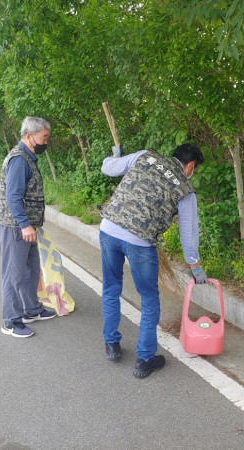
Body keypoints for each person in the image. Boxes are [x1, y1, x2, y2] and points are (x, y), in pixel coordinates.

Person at [99, 143, 207, 378]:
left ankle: (111, 345)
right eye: (195, 168)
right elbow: (188, 234)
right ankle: (145, 359)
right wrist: (195, 266)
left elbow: (108, 168)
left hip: (108, 229)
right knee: (149, 300)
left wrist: (114, 157)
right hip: (139, 242)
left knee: (111, 288)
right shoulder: (185, 190)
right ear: (190, 165)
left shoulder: (145, 156)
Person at [0, 116, 57, 338]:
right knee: (14, 274)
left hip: (27, 226)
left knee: (31, 268)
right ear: (29, 136)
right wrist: (24, 224)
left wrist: (30, 224)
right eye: (44, 137)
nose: (46, 142)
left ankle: (31, 309)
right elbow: (13, 196)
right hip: (15, 227)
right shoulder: (19, 160)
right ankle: (11, 321)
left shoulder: (28, 157)